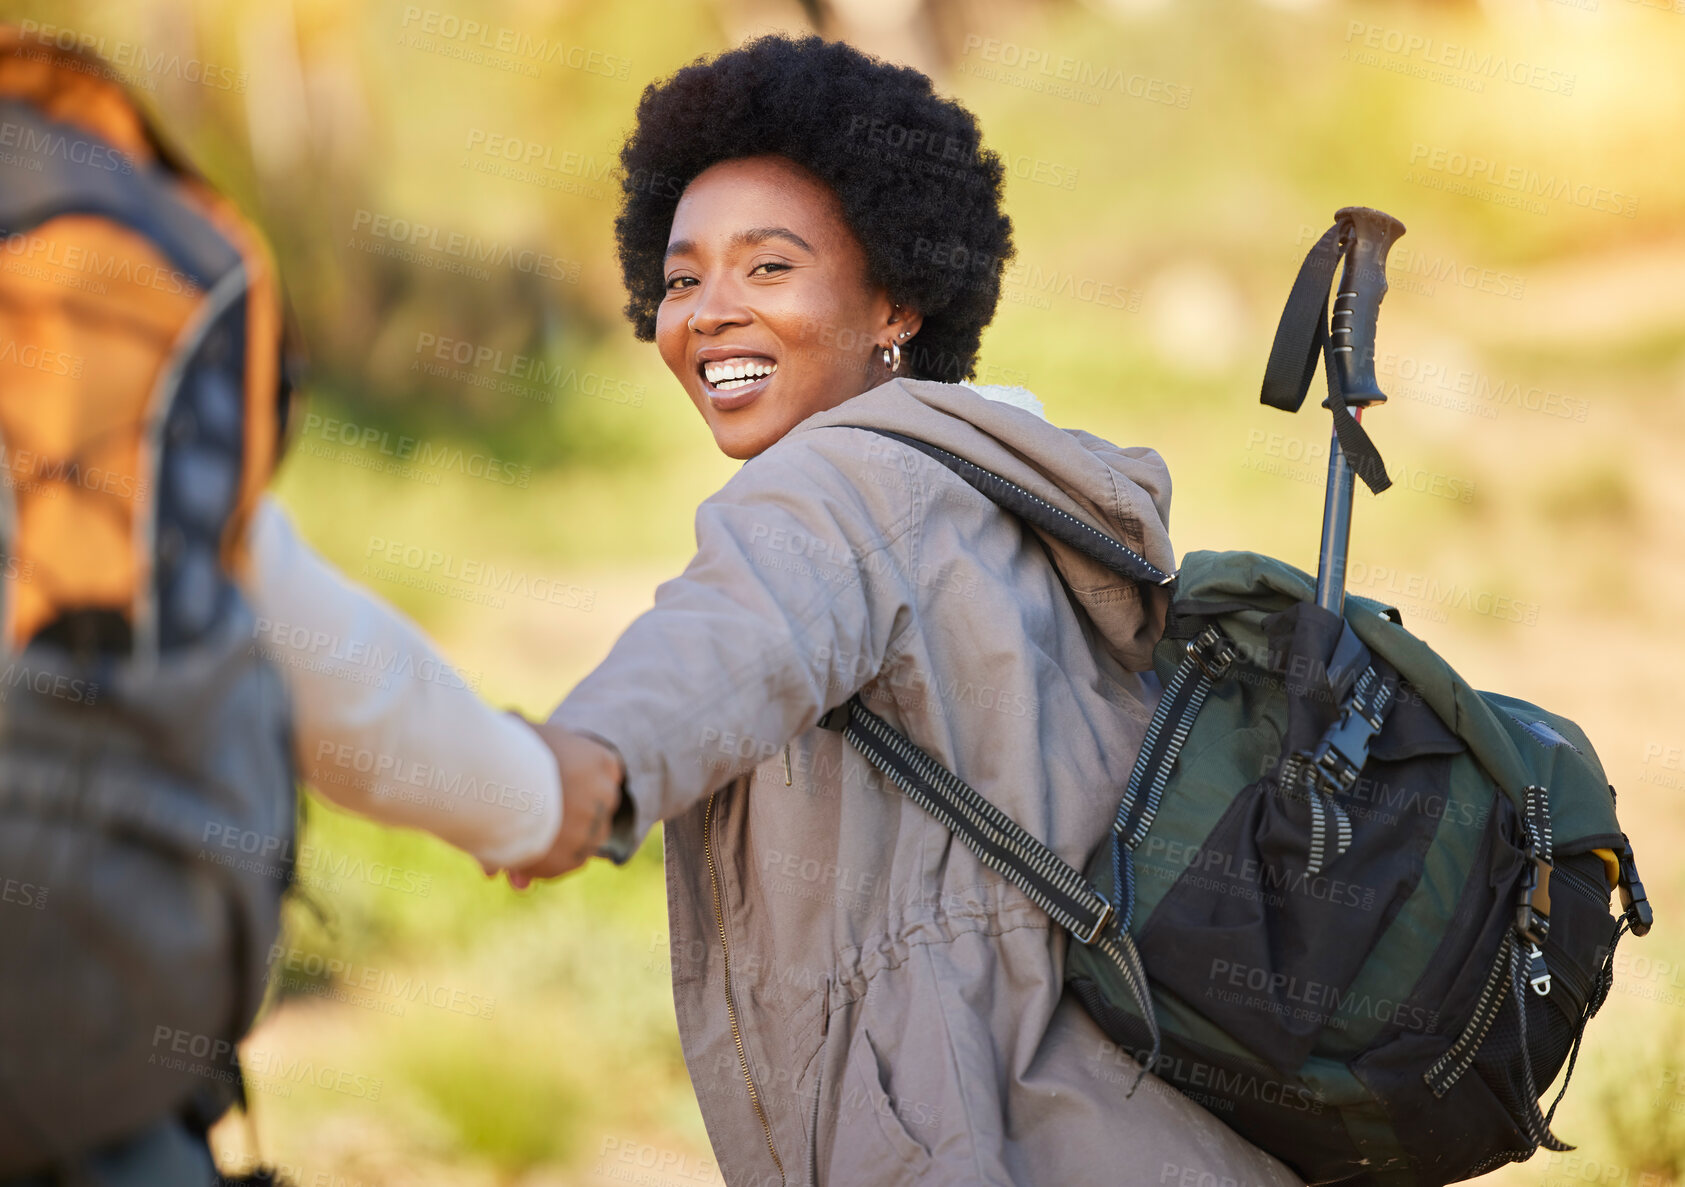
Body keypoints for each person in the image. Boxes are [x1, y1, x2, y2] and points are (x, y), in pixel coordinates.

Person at [510, 33, 1303, 1187]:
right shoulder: (993, 478)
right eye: (682, 278)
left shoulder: (841, 482)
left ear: (896, 298)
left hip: (968, 1126)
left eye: (768, 268)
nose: (708, 313)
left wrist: (588, 760)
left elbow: (735, 635)